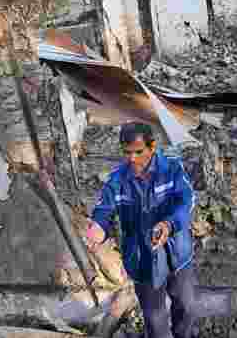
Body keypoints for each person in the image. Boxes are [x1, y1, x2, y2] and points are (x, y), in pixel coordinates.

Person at [85, 122, 198, 338]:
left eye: (139, 152)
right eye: (127, 153)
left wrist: (169, 224)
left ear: (152, 146)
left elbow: (186, 201)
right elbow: (104, 210)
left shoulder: (172, 170)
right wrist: (98, 228)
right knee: (155, 320)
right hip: (142, 259)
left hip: (177, 253)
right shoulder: (117, 181)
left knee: (187, 307)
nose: (132, 159)